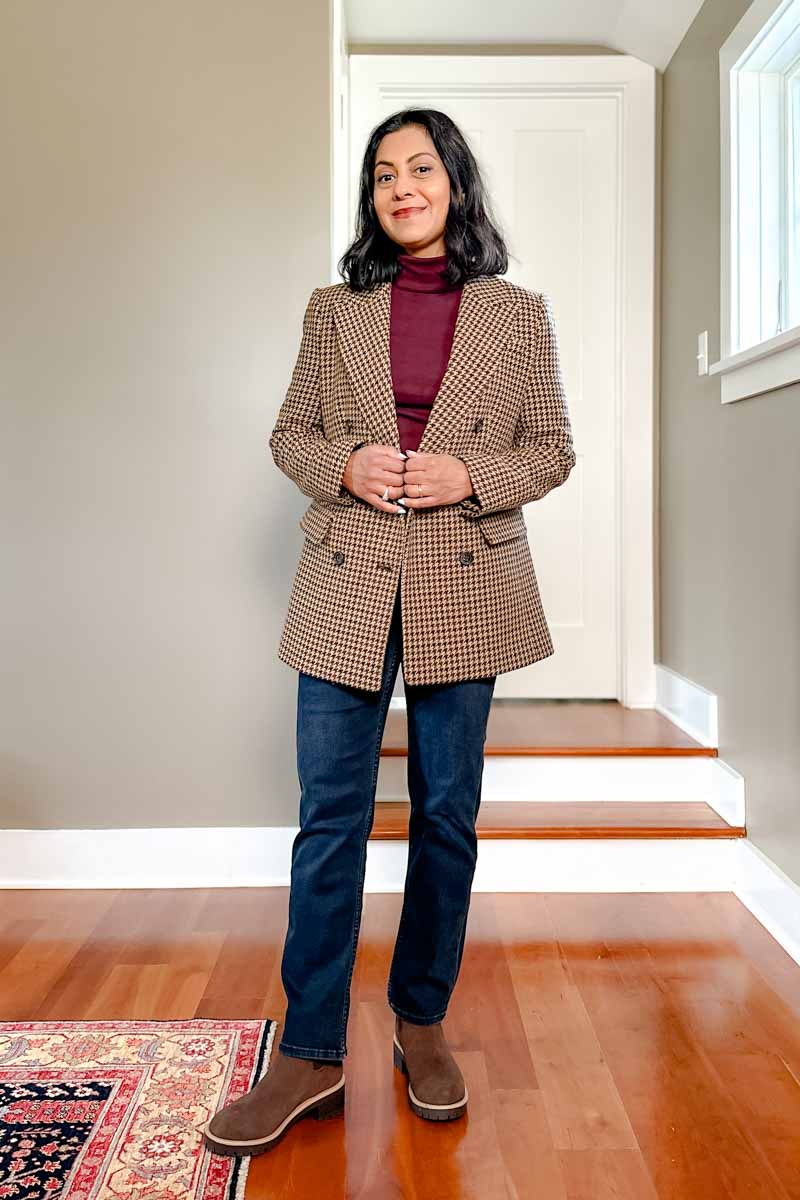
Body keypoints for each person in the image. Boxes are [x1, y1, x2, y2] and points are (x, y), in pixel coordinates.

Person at [201, 107, 575, 1159]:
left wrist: (469, 476)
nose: (399, 187)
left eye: (418, 168)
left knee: (445, 815)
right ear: (371, 200)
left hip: (466, 576)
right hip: (347, 576)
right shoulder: (333, 310)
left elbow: (549, 451)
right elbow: (291, 433)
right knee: (329, 819)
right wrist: (345, 465)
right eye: (381, 175)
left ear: (453, 183)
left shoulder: (517, 315)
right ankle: (311, 1053)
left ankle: (420, 1021)